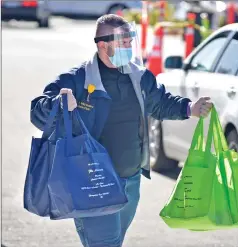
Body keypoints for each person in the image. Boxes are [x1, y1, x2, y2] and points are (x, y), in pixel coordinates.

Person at [30, 14, 213, 246]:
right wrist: (57, 103)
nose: (129, 48)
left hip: (130, 180)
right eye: (122, 43)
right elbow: (37, 109)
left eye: (130, 42)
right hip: (93, 182)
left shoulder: (138, 76)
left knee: (115, 241)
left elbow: (159, 102)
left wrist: (189, 108)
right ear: (103, 45)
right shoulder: (77, 79)